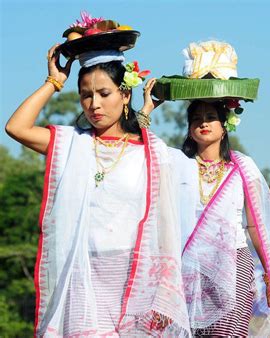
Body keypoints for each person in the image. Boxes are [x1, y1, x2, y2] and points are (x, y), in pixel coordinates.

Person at [5, 44, 191, 336]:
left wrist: (164, 294)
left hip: (134, 279)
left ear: (125, 94)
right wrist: (54, 82)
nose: (94, 105)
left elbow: (166, 227)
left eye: (104, 94)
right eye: (85, 95)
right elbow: (17, 127)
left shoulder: (152, 154)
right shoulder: (72, 144)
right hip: (82, 275)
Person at [140, 93, 270, 335]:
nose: (203, 123)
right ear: (189, 129)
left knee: (225, 331)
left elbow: (255, 226)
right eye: (196, 119)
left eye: (210, 117)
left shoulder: (241, 166)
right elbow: (142, 147)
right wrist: (147, 110)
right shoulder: (177, 163)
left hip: (234, 262)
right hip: (189, 265)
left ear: (224, 127)